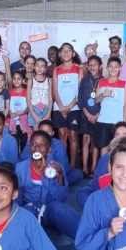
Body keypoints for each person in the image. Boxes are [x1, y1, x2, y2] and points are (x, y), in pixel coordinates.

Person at [15, 130, 80, 240]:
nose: (37, 148)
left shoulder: (56, 167)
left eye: (42, 145)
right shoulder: (20, 167)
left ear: (49, 149)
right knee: (21, 217)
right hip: (30, 208)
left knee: (61, 209)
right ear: (29, 148)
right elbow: (18, 199)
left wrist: (60, 176)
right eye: (33, 144)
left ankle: (90, 238)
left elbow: (61, 198)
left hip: (51, 208)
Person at [76, 122, 126, 209]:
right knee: (82, 194)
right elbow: (96, 187)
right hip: (106, 200)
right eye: (117, 136)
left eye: (125, 135)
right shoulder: (107, 157)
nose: (121, 139)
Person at [19, 120, 83, 186]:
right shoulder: (31, 142)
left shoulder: (57, 144)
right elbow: (23, 161)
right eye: (42, 131)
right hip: (34, 174)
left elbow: (64, 166)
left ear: (52, 133)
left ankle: (47, 183)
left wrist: (54, 168)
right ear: (38, 131)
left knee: (78, 174)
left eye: (48, 131)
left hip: (53, 174)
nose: (45, 134)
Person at [52, 43, 83, 172]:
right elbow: (54, 91)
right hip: (59, 107)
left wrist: (69, 107)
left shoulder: (79, 69)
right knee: (62, 135)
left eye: (68, 50)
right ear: (60, 54)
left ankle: (73, 165)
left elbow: (80, 91)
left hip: (74, 108)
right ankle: (63, 164)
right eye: (63, 50)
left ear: (73, 53)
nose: (66, 53)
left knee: (73, 135)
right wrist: (61, 107)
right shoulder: (56, 70)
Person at [95, 57, 126, 153]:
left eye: (116, 67)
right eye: (111, 67)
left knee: (117, 148)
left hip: (117, 121)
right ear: (107, 68)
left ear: (120, 68)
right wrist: (103, 94)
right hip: (103, 120)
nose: (113, 69)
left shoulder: (124, 84)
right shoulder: (101, 82)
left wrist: (124, 121)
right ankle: (104, 163)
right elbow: (96, 100)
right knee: (104, 147)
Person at [78, 56, 103, 178]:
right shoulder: (84, 80)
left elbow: (106, 102)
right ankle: (84, 168)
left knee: (95, 142)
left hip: (99, 116)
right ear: (87, 66)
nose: (93, 67)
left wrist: (97, 115)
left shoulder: (104, 80)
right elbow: (80, 99)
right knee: (85, 140)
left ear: (100, 67)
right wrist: (87, 114)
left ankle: (93, 168)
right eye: (90, 65)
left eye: (95, 64)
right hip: (85, 115)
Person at [27, 58, 52, 130]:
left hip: (46, 109)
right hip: (34, 109)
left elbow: (50, 99)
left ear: (46, 68)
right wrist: (33, 114)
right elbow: (28, 99)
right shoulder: (30, 80)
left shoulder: (49, 80)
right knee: (36, 133)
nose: (39, 68)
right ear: (34, 67)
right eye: (37, 65)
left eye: (42, 66)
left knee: (45, 132)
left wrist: (48, 114)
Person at [8, 70, 30, 153]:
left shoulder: (26, 92)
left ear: (23, 80)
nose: (16, 81)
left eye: (19, 79)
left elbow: (29, 107)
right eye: (14, 78)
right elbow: (7, 106)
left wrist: (23, 112)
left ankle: (24, 158)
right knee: (14, 143)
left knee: (24, 141)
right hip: (13, 121)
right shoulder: (9, 92)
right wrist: (10, 113)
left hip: (24, 122)